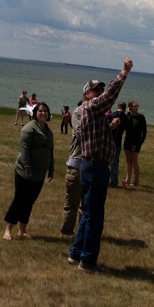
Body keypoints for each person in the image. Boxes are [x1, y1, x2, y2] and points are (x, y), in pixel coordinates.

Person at [68, 57, 133, 271]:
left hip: (91, 166)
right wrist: (123, 73)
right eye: (96, 90)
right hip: (95, 168)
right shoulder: (92, 107)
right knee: (95, 217)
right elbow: (110, 95)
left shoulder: (94, 113)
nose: (100, 92)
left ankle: (76, 254)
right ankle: (87, 261)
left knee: (88, 213)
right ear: (87, 94)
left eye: (100, 89)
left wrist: (110, 127)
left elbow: (97, 136)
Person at [3, 102, 54, 239]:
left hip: (39, 174)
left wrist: (51, 168)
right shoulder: (28, 129)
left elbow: (51, 151)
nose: (43, 113)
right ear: (35, 113)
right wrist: (27, 168)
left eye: (45, 111)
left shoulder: (48, 131)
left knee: (29, 201)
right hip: (25, 172)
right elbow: (24, 150)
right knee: (19, 200)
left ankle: (22, 230)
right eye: (40, 111)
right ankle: (8, 230)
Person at [62, 92, 88, 236]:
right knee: (72, 203)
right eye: (95, 91)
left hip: (90, 166)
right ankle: (67, 232)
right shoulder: (78, 113)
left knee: (86, 204)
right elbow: (81, 135)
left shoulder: (98, 115)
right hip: (76, 165)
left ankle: (82, 233)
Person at [122, 100, 147, 188]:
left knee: (134, 161)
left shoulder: (141, 117)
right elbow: (125, 126)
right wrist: (128, 114)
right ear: (130, 108)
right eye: (134, 106)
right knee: (128, 161)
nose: (136, 107)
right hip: (127, 141)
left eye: (137, 106)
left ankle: (136, 180)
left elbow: (144, 132)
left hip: (136, 142)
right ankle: (128, 179)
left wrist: (140, 143)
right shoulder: (128, 117)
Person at [108, 101, 126, 187]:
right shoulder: (125, 117)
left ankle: (104, 180)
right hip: (118, 142)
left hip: (109, 142)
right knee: (115, 163)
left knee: (105, 163)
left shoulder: (112, 115)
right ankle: (114, 182)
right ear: (124, 108)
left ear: (118, 106)